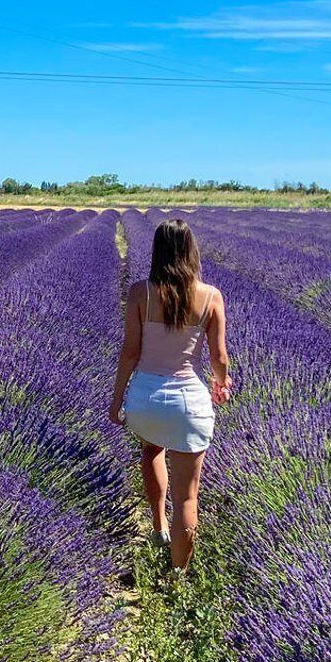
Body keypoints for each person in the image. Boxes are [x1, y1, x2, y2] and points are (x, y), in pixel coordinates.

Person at [108, 218, 232, 575]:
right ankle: (178, 576)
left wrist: (117, 400)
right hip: (189, 404)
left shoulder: (140, 293)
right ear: (191, 250)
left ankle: (159, 527)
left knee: (151, 449)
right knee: (188, 497)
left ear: (157, 250)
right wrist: (220, 385)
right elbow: (218, 356)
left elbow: (129, 352)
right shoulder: (210, 297)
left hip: (145, 400)